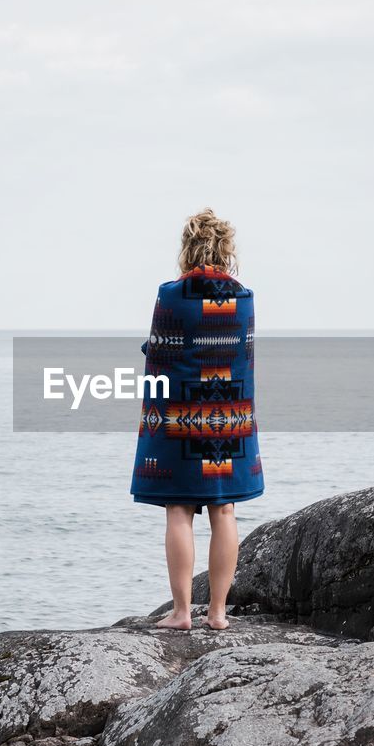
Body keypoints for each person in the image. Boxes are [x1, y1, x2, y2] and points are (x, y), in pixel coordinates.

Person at [130, 208, 264, 631]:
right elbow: (241, 359)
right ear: (227, 249)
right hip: (227, 421)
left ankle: (183, 612)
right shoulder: (244, 299)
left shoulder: (171, 296)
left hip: (181, 422)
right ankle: (219, 614)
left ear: (187, 248)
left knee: (178, 511)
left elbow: (160, 355)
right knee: (223, 511)